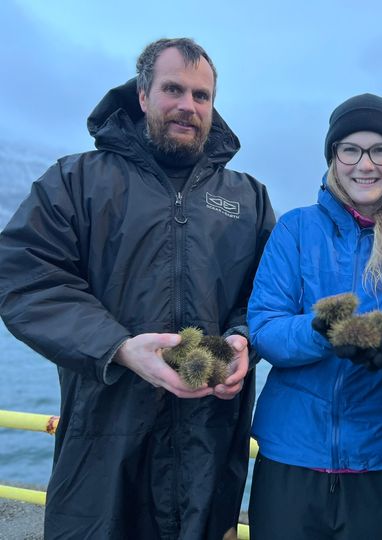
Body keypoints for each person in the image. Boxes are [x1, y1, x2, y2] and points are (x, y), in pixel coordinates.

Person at [0, 38, 275, 539]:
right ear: (143, 95)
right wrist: (119, 348)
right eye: (173, 89)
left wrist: (244, 340)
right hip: (104, 435)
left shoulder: (248, 197)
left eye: (201, 95)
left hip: (208, 443)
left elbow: (270, 296)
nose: (187, 106)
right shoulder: (75, 181)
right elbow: (24, 275)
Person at [246, 93, 382, 539]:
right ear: (334, 157)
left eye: (380, 150)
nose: (365, 164)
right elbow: (265, 325)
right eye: (351, 149)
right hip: (291, 460)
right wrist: (321, 330)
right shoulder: (296, 229)